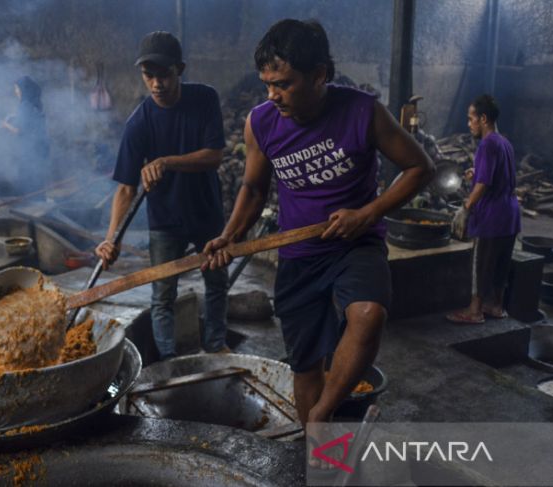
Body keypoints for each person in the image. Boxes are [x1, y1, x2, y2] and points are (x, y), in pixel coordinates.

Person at [202, 19, 434, 432]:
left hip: (355, 246)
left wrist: (368, 213)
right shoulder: (261, 122)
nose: (273, 94)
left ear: (320, 74)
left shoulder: (363, 111)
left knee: (367, 314)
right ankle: (317, 447)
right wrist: (229, 235)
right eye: (267, 84)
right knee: (305, 365)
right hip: (299, 254)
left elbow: (420, 167)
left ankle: (324, 412)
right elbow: (254, 189)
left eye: (284, 84)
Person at [95, 31, 229, 360]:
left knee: (216, 282)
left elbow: (214, 156)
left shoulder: (204, 99)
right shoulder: (138, 123)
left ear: (179, 69)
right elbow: (126, 188)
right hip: (165, 221)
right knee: (162, 294)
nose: (157, 84)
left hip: (207, 212)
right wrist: (111, 239)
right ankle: (169, 361)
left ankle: (216, 346)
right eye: (149, 76)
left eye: (164, 75)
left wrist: (166, 162)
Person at [446, 95, 521, 324]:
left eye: (471, 119)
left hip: (491, 216)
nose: (469, 124)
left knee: (482, 264)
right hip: (510, 214)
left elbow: (484, 184)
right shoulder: (503, 142)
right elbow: (497, 175)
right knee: (500, 263)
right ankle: (496, 306)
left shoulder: (486, 144)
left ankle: (475, 311)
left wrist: (466, 207)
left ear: (484, 118)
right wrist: (475, 171)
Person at [0, 75, 51, 196]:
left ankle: (30, 207)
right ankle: (40, 204)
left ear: (23, 90)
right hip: (41, 148)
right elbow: (30, 121)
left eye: (17, 89)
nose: (15, 92)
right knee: (37, 180)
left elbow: (20, 131)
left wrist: (5, 125)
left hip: (30, 150)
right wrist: (14, 116)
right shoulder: (35, 103)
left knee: (28, 181)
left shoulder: (24, 105)